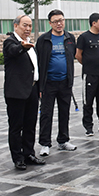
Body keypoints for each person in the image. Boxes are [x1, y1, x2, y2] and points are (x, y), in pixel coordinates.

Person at [3, 15, 45, 170]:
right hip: (16, 92)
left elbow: (35, 68)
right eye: (24, 25)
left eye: (30, 26)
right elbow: (13, 51)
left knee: (30, 124)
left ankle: (29, 153)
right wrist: (22, 47)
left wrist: (39, 88)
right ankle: (18, 157)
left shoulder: (29, 43)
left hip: (32, 90)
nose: (28, 29)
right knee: (16, 127)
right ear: (16, 26)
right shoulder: (10, 42)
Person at [36, 10, 77, 156]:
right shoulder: (44, 40)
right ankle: (45, 143)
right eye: (55, 21)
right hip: (48, 83)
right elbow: (39, 62)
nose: (59, 24)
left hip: (65, 82)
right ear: (50, 23)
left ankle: (63, 140)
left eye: (61, 20)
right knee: (46, 113)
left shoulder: (70, 38)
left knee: (64, 112)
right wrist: (39, 85)